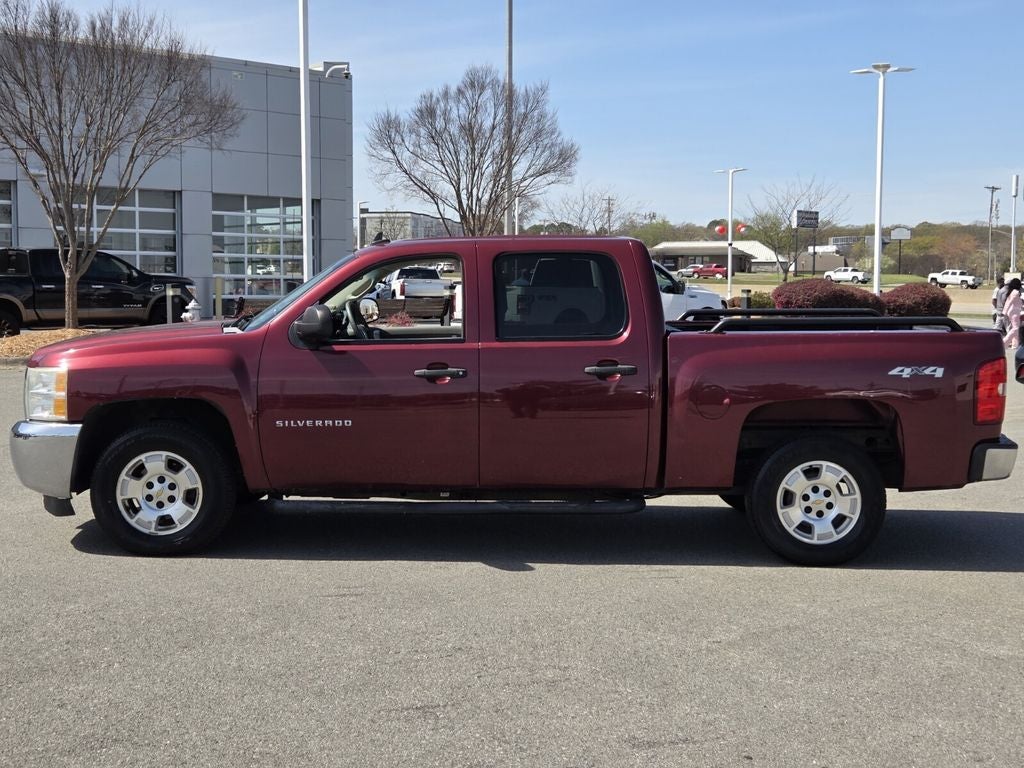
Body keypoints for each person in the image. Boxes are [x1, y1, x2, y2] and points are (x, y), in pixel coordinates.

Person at [1002, 277, 1022, 350]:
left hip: (1013, 311)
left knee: (1015, 328)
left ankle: (1015, 344)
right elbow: (1009, 303)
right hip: (1014, 312)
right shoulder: (1015, 292)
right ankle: (1003, 342)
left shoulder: (1012, 291)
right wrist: (1004, 312)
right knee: (1015, 328)